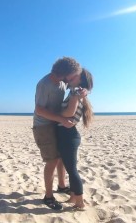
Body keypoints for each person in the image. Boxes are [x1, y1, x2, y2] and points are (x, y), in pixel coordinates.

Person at [32, 57, 87, 210]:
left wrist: (85, 90)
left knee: (61, 158)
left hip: (56, 124)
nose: (74, 78)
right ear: (65, 74)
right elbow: (39, 110)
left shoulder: (63, 82)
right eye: (73, 75)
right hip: (43, 127)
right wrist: (61, 120)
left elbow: (81, 84)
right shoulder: (45, 84)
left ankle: (62, 186)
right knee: (51, 161)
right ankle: (48, 197)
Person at [56, 68, 94, 210]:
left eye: (75, 75)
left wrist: (55, 113)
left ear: (81, 78)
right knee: (69, 166)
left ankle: (80, 202)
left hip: (67, 135)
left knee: (72, 170)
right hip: (68, 134)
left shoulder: (76, 91)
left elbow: (69, 112)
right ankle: (73, 197)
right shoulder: (79, 92)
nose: (71, 77)